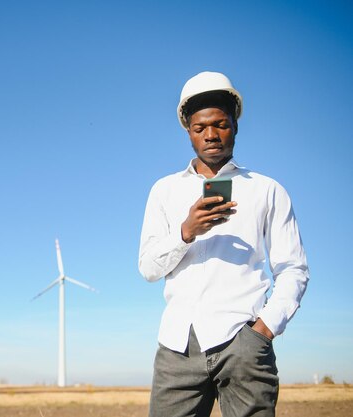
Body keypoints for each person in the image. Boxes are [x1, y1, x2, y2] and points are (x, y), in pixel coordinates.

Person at [138, 72, 309, 417]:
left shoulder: (266, 189)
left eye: (221, 124)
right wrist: (186, 230)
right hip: (177, 347)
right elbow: (148, 269)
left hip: (244, 344)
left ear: (235, 125)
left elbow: (293, 268)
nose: (211, 135)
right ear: (188, 131)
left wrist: (263, 331)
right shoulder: (164, 190)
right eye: (201, 128)